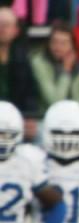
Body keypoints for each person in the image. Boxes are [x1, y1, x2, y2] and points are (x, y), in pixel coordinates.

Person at [30, 21, 79, 109]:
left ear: (72, 46)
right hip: (45, 117)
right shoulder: (39, 62)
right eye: (54, 42)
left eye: (64, 43)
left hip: (72, 117)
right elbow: (55, 102)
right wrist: (66, 71)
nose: (58, 47)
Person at [0, 7, 38, 136]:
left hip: (16, 119)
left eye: (6, 25)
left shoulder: (22, 58)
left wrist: (30, 117)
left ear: (15, 31)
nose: (2, 28)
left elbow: (30, 93)